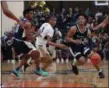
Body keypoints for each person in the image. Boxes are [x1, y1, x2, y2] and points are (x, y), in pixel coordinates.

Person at [66, 13, 105, 78]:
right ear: (77, 20)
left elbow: (90, 41)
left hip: (83, 45)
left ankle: (100, 71)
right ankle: (74, 64)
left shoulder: (88, 30)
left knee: (93, 56)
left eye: (82, 19)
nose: (80, 20)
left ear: (85, 20)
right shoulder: (73, 28)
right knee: (82, 61)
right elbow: (67, 38)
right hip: (74, 46)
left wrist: (92, 49)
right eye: (79, 19)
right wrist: (74, 41)